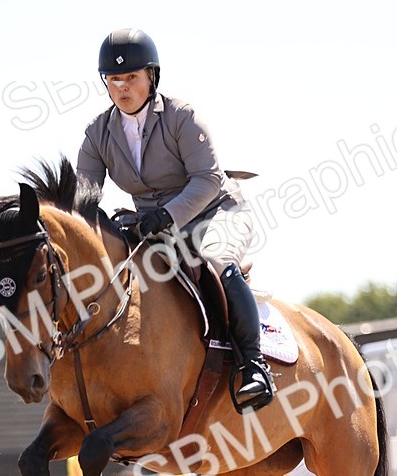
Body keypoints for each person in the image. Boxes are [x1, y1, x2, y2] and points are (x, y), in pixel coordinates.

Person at [76, 27, 273, 411]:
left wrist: (166, 215)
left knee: (216, 261)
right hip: (154, 225)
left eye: (131, 77)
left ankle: (253, 366)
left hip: (215, 212)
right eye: (113, 79)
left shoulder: (182, 117)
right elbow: (84, 198)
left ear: (151, 76)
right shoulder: (98, 133)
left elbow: (208, 179)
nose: (122, 87)